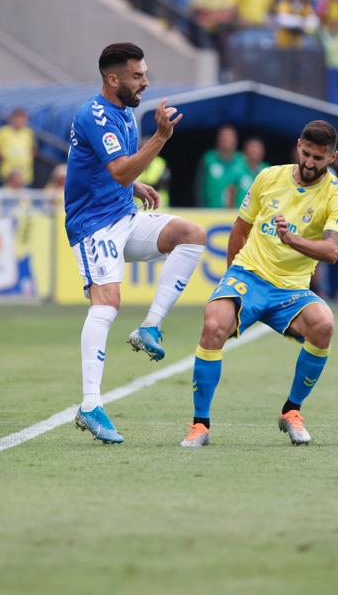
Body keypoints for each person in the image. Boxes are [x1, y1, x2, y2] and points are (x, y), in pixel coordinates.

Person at [65, 42, 207, 444]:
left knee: (190, 235)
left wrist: (137, 182)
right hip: (93, 226)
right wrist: (160, 139)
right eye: (137, 75)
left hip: (123, 216)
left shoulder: (125, 111)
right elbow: (119, 170)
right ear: (113, 79)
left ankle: (150, 328)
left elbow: (115, 170)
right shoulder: (94, 114)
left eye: (145, 73)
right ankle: (90, 403)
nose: (146, 81)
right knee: (106, 303)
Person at [180, 120, 338, 448]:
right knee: (214, 323)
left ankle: (291, 411)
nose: (310, 163)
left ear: (333, 157)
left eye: (319, 157)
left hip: (292, 290)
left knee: (324, 324)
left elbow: (332, 251)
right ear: (298, 145)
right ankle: (200, 424)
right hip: (248, 275)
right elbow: (240, 229)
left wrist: (292, 239)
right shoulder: (269, 177)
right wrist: (232, 277)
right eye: (306, 153)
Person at [0, 108, 35, 186]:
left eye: (23, 120)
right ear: (12, 119)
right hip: (7, 174)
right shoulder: (3, 131)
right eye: (18, 119)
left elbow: (33, 147)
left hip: (25, 175)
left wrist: (29, 157)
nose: (20, 122)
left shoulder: (28, 132)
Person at [199, 124, 246, 208]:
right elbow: (199, 187)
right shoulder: (209, 158)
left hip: (238, 214)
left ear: (236, 141)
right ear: (218, 139)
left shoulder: (243, 160)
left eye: (230, 136)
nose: (227, 139)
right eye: (224, 136)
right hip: (210, 212)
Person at [232, 137, 268, 208]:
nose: (255, 150)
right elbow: (231, 192)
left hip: (260, 215)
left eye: (258, 147)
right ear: (245, 151)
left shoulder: (269, 170)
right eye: (252, 147)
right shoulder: (237, 168)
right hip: (238, 214)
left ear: (263, 152)